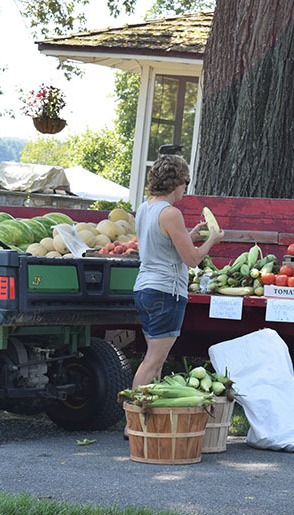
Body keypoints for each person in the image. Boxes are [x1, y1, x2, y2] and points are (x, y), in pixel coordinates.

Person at [126, 154, 224, 437]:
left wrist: (189, 233)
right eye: (185, 182)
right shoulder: (171, 213)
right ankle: (133, 422)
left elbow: (162, 243)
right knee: (153, 361)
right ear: (175, 182)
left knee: (153, 360)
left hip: (145, 288)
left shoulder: (145, 209)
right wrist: (211, 240)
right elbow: (192, 260)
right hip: (166, 292)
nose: (186, 188)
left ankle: (148, 420)